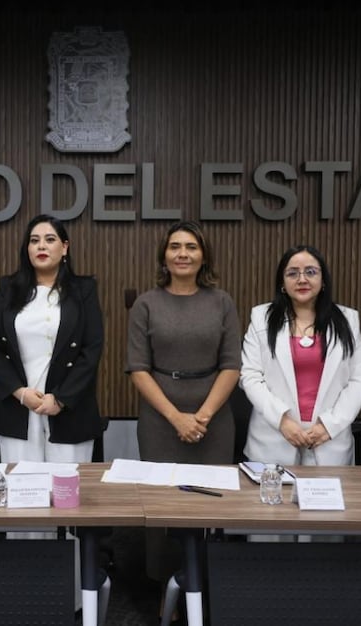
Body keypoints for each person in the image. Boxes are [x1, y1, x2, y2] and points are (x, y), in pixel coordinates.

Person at [127, 220, 241, 584]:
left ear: (203, 255)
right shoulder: (146, 303)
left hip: (215, 419)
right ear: (164, 255)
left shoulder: (222, 302)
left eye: (191, 246)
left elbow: (232, 365)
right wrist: (177, 418)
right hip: (161, 419)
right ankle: (165, 588)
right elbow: (138, 369)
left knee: (212, 503)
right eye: (175, 246)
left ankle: (210, 587)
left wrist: (203, 416)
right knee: (163, 506)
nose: (183, 254)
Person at [0, 214, 104, 463]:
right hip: (19, 407)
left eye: (50, 239)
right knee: (22, 489)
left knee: (67, 493)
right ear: (27, 249)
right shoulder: (9, 288)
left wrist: (61, 399)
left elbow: (91, 350)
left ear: (64, 247)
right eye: (34, 240)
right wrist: (19, 393)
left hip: (69, 408)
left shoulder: (84, 290)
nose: (41, 246)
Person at [241, 245, 361, 466]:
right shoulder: (261, 318)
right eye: (292, 273)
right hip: (272, 440)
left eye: (310, 272)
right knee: (269, 500)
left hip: (330, 442)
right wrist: (282, 421)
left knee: (327, 500)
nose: (302, 279)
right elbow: (250, 376)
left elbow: (358, 380)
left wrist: (329, 425)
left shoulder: (347, 320)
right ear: (282, 283)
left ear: (323, 279)